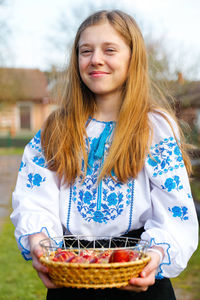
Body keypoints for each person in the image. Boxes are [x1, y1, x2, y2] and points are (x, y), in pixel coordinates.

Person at [10, 10, 198, 300]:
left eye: (109, 49)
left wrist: (156, 255)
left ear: (133, 58)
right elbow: (34, 199)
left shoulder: (154, 128)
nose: (95, 58)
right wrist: (39, 243)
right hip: (71, 277)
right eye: (86, 51)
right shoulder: (56, 129)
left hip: (138, 274)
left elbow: (175, 211)